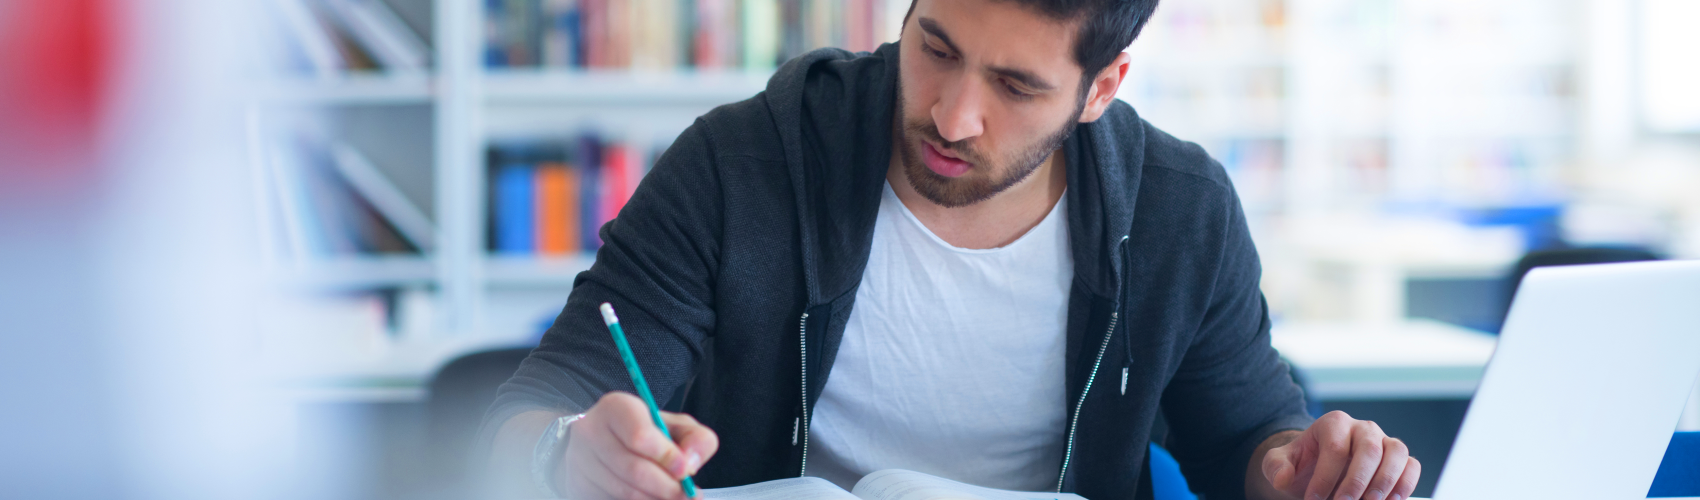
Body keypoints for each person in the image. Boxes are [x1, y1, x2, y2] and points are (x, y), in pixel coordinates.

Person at [482, 1, 1421, 499]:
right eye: (934, 46)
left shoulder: (1181, 211)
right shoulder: (742, 163)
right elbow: (535, 408)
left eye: (1015, 85)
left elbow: (1245, 442)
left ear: (1100, 89)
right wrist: (570, 458)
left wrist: (1300, 470)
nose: (951, 114)